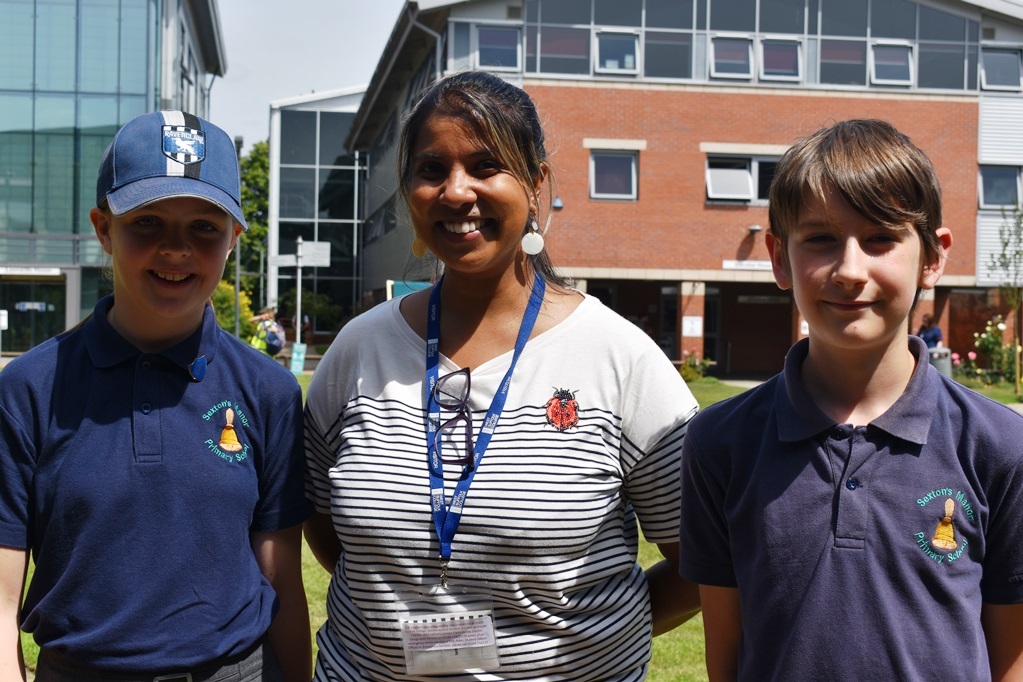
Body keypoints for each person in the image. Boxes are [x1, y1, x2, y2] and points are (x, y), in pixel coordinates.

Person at [303, 70, 700, 681]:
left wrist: (598, 636)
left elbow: (700, 558)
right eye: (431, 170)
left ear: (536, 184)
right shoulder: (359, 351)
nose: (456, 192)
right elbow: (329, 532)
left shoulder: (618, 357)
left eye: (486, 166)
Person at [678, 119, 1023, 680]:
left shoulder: (1001, 445)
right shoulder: (721, 442)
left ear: (933, 257)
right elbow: (727, 649)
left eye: (881, 238)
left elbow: (1012, 655)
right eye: (820, 239)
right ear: (778, 257)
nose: (849, 270)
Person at [0, 111, 311, 681]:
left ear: (234, 239)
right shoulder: (28, 389)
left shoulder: (269, 391)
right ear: (103, 229)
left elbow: (282, 582)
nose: (176, 249)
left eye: (204, 227)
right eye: (147, 222)